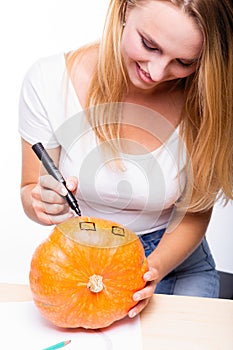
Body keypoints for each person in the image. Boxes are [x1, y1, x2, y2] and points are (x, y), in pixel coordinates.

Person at [18, 0, 233, 319]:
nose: (158, 73)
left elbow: (194, 214)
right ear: (124, 10)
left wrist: (151, 270)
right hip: (83, 261)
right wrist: (41, 201)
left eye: (185, 61)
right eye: (149, 45)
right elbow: (30, 187)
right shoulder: (49, 81)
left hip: (173, 264)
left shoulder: (209, 98)